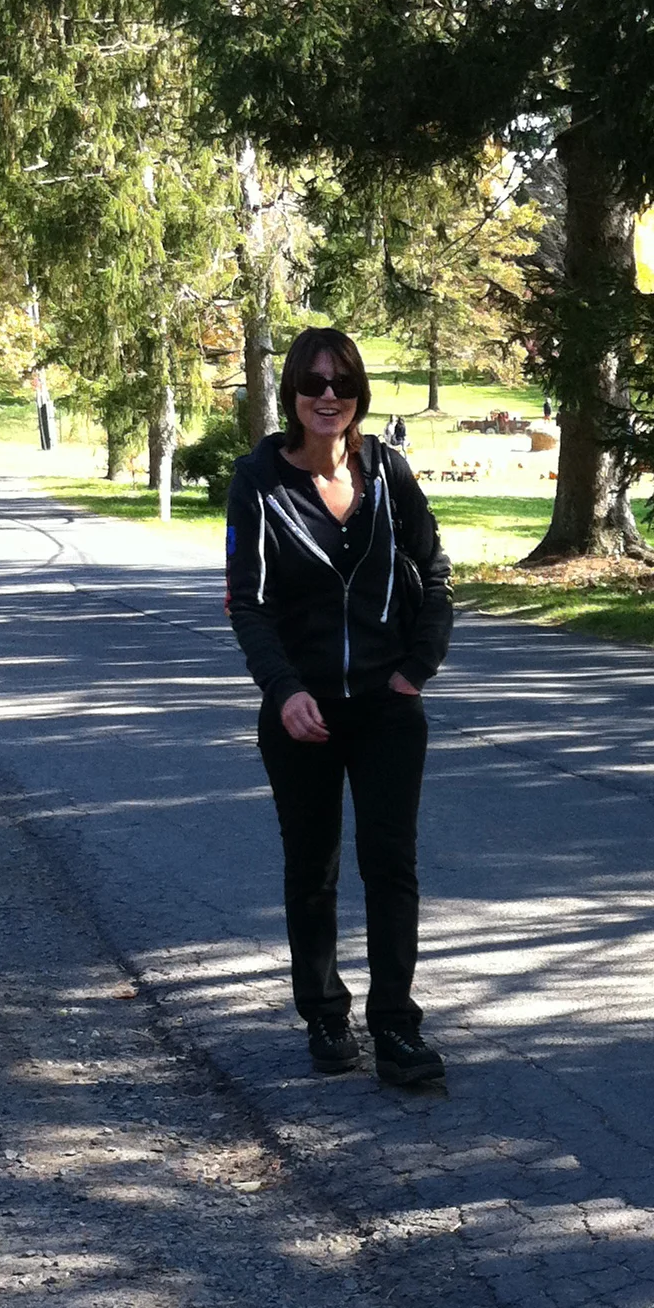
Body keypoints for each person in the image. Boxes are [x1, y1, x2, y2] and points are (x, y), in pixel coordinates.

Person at [225, 327, 453, 1089]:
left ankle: (395, 1027)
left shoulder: (387, 472)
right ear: (292, 393)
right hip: (302, 714)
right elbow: (248, 606)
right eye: (314, 383)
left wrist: (417, 669)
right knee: (312, 867)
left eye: (342, 382)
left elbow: (435, 570)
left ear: (358, 394)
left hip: (388, 707)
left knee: (392, 867)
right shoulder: (259, 482)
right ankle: (325, 1013)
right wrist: (284, 690)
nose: (328, 395)